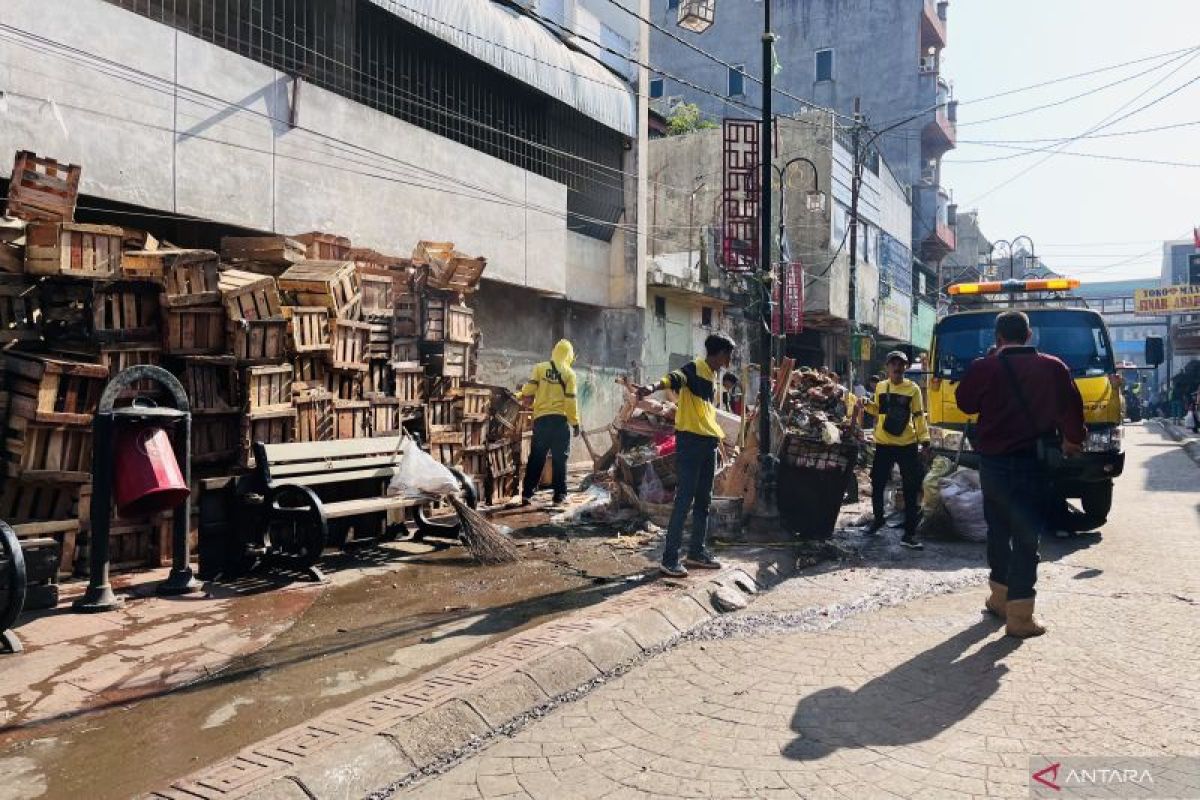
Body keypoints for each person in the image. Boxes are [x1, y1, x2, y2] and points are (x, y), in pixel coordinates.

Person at [956, 311, 1086, 639]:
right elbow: (1072, 411)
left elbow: (965, 404)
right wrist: (1072, 441)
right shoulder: (1054, 367)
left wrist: (986, 364)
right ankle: (1020, 616)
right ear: (1029, 336)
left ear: (998, 337)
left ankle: (999, 598)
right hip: (1033, 465)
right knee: (1027, 537)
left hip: (993, 465)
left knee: (998, 530)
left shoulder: (984, 367)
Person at [638, 333, 736, 577]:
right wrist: (651, 387)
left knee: (704, 500)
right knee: (685, 500)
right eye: (729, 354)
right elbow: (673, 378)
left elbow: (706, 412)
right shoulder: (695, 368)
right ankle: (669, 559)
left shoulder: (713, 376)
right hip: (691, 442)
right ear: (720, 353)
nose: (730, 359)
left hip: (708, 442)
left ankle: (696, 553)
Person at [860, 351, 929, 549]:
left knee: (911, 487)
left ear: (905, 368)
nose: (897, 368)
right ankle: (878, 519)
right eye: (894, 364)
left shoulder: (913, 389)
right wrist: (866, 404)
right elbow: (878, 410)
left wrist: (924, 441)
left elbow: (918, 416)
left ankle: (909, 534)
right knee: (878, 482)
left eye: (901, 365)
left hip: (906, 444)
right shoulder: (881, 387)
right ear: (888, 367)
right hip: (883, 443)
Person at [519, 339, 580, 506]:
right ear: (569, 355)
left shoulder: (540, 368)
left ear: (554, 351)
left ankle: (527, 494)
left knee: (537, 457)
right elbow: (571, 401)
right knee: (560, 460)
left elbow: (529, 390)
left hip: (542, 420)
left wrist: (521, 393)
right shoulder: (570, 374)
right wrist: (575, 423)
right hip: (560, 422)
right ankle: (559, 495)